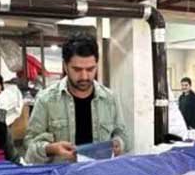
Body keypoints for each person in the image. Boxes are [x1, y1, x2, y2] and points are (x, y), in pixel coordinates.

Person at [24, 34, 130, 163]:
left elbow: (122, 136)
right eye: (77, 69)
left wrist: (119, 144)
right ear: (65, 66)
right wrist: (50, 149)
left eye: (90, 69)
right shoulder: (45, 100)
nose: (84, 76)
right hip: (63, 174)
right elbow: (29, 145)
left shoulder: (110, 99)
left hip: (99, 172)